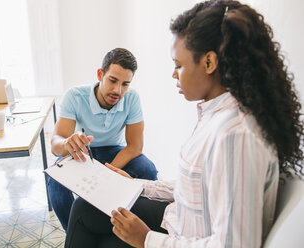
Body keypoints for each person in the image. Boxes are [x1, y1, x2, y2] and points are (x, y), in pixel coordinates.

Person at [64, 0, 304, 247]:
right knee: (86, 207)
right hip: (178, 219)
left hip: (185, 236)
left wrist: (147, 239)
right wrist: (135, 184)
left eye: (179, 65)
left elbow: (235, 244)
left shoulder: (236, 134)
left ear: (209, 63)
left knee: (97, 230)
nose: (173, 74)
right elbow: (197, 187)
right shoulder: (217, 114)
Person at [48, 48, 158, 232]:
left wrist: (106, 173)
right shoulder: (74, 96)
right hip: (82, 152)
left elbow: (135, 146)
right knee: (55, 182)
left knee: (148, 170)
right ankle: (75, 235)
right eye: (112, 81)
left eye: (125, 84)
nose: (118, 90)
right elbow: (55, 145)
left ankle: (136, 231)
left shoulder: (132, 98)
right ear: (100, 74)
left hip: (114, 149)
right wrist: (67, 143)